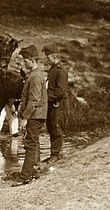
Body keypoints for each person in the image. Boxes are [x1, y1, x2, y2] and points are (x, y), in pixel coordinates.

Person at [12, 44, 47, 185]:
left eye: (25, 61)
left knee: (30, 145)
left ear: (32, 61)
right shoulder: (34, 75)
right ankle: (34, 170)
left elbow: (33, 100)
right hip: (36, 114)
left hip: (34, 115)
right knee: (34, 143)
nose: (23, 63)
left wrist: (25, 118)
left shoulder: (36, 77)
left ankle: (25, 176)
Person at [43, 44, 69, 163]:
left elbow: (60, 91)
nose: (47, 59)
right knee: (51, 126)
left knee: (57, 127)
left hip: (58, 104)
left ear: (54, 57)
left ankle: (55, 154)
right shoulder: (53, 69)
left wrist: (45, 97)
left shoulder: (61, 71)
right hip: (52, 103)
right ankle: (55, 152)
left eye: (48, 57)